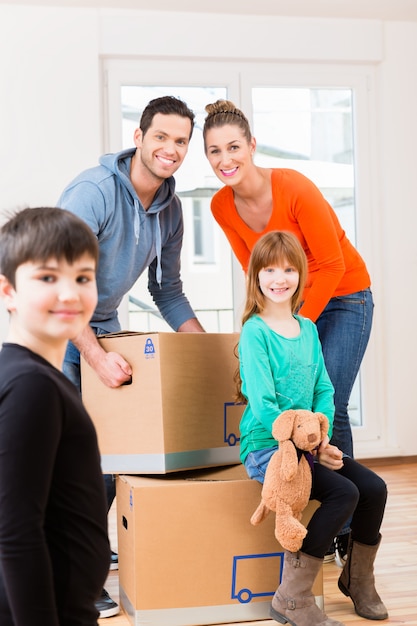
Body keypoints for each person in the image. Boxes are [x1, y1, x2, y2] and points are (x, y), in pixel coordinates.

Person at [203, 99, 373, 564]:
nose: (225, 160)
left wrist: (294, 328)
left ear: (252, 145)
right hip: (286, 303)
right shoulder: (221, 205)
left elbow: (332, 263)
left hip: (344, 296)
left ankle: (347, 529)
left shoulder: (294, 187)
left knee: (328, 405)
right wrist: (263, 322)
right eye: (214, 151)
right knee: (293, 405)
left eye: (234, 147)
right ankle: (310, 493)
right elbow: (251, 267)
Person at [58, 95, 205, 617]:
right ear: (139, 137)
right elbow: (59, 285)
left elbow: (168, 290)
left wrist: (206, 348)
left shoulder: (171, 208)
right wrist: (94, 357)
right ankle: (74, 573)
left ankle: (87, 557)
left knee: (115, 456)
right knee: (78, 459)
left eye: (181, 141)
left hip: (104, 327)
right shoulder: (94, 192)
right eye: (161, 137)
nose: (171, 149)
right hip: (59, 332)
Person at [235, 230, 387, 626]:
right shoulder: (255, 331)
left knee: (374, 489)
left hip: (307, 444)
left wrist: (320, 442)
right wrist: (301, 444)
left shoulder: (308, 328)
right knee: (343, 494)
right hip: (269, 447)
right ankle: (293, 599)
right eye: (270, 269)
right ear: (256, 276)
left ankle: (358, 581)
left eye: (288, 269)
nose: (279, 278)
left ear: (301, 275)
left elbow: (324, 388)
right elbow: (264, 402)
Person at [0, 207, 110, 626]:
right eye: (48, 278)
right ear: (8, 291)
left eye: (83, 277)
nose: (70, 293)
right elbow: (16, 533)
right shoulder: (33, 387)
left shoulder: (34, 377)